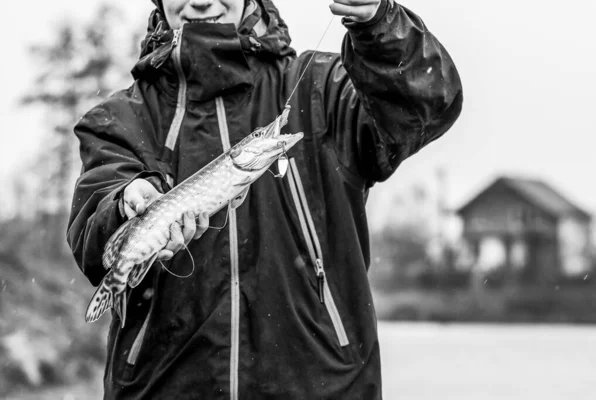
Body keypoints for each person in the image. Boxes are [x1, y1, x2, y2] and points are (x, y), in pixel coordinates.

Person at [67, 0, 463, 398]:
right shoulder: (118, 121)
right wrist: (124, 203)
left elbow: (427, 103)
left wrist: (379, 24)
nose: (202, 1)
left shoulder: (323, 90)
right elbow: (92, 231)